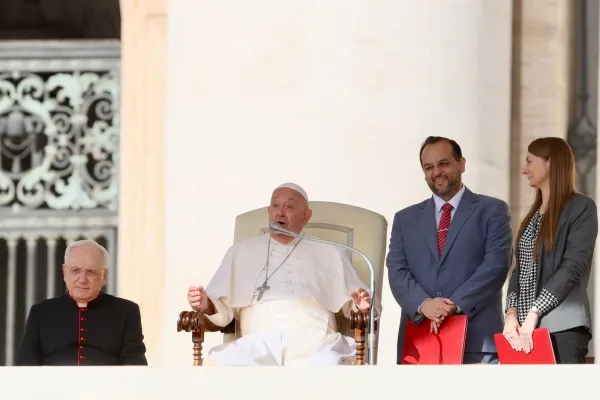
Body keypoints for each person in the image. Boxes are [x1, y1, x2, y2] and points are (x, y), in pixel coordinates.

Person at [187, 182, 380, 366]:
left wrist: (361, 306)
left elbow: (357, 304)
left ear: (306, 216)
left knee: (328, 366)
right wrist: (207, 304)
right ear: (269, 212)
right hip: (257, 342)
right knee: (226, 367)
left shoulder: (329, 252)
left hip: (315, 341)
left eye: (289, 206)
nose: (280, 212)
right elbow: (224, 313)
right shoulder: (241, 251)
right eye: (275, 205)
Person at [386, 136, 513, 364]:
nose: (436, 172)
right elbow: (396, 270)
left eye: (443, 164)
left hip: (477, 344)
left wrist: (452, 304)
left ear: (461, 164)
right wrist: (425, 304)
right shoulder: (405, 219)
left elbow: (496, 266)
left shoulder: (493, 210)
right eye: (429, 167)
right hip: (419, 345)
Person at [503, 137, 597, 363]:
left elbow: (572, 267)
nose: (524, 170)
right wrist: (511, 314)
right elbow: (519, 271)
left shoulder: (582, 208)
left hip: (562, 329)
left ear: (551, 163)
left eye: (529, 161)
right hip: (524, 333)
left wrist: (534, 312)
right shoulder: (532, 217)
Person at [17, 240, 148, 366]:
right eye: (75, 271)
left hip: (107, 387)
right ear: (64, 272)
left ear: (104, 276)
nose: (82, 279)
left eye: (91, 272)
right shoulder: (41, 312)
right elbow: (26, 366)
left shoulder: (126, 312)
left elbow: (135, 366)